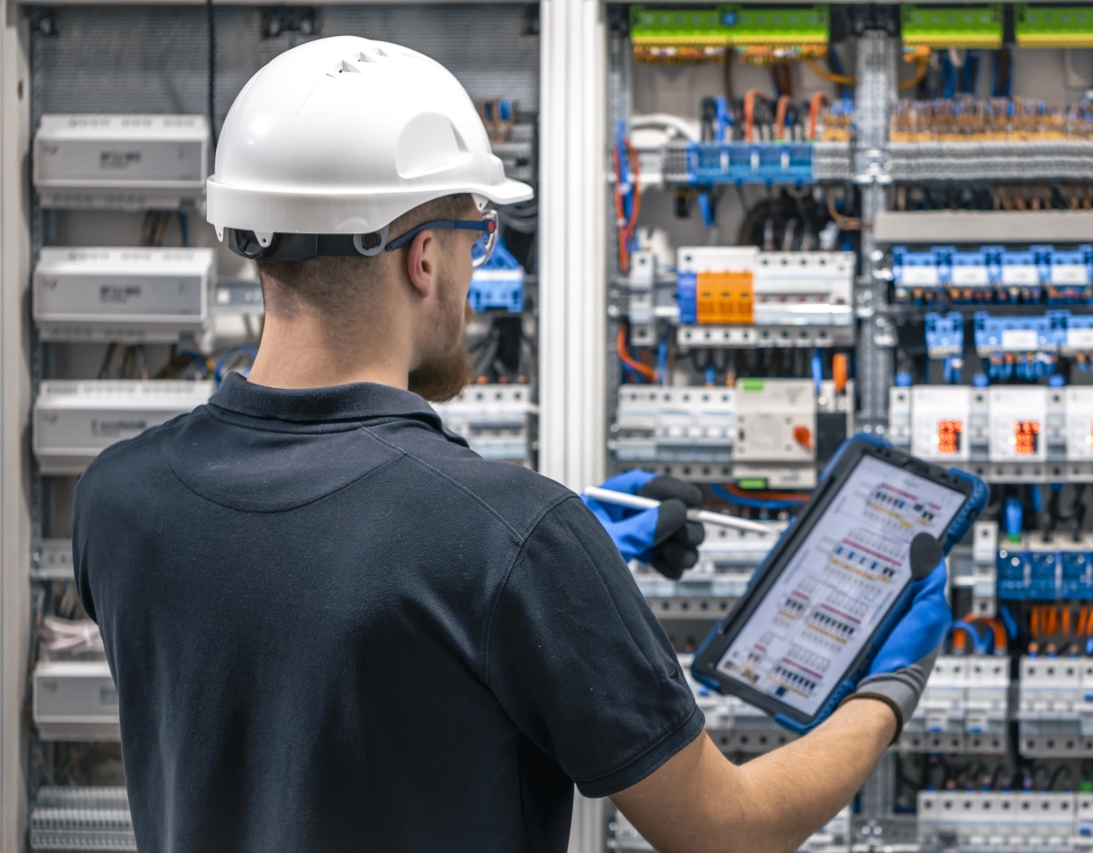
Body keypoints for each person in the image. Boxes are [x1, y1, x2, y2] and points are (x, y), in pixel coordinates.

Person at [72, 37, 949, 853]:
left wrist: (539, 568)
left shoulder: (118, 497)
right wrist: (884, 691)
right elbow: (727, 830)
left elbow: (302, 600)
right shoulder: (513, 540)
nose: (475, 270)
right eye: (477, 236)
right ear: (422, 258)